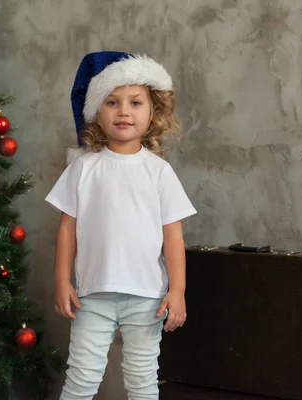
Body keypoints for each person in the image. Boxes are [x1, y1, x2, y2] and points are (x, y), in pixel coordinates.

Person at [45, 51, 198, 400]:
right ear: (97, 112)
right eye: (112, 102)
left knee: (142, 381)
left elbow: (172, 236)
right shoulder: (84, 168)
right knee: (81, 379)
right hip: (92, 296)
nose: (124, 111)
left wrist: (178, 291)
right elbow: (67, 229)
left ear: (152, 111)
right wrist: (61, 281)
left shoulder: (159, 172)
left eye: (135, 102)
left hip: (148, 297)